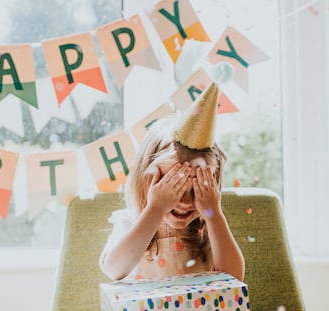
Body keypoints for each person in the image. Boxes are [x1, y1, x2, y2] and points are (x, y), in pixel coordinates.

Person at [99, 83, 245, 281]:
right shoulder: (129, 222)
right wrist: (156, 208)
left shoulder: (207, 228)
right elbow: (114, 269)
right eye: (172, 187)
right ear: (145, 180)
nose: (185, 202)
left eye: (196, 190)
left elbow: (234, 279)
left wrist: (214, 215)